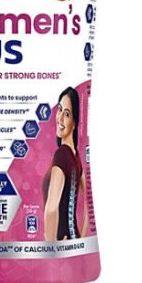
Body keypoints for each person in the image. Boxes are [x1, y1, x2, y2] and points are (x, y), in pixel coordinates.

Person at [42, 87, 88, 241]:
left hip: (60, 243)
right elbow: (88, 202)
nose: (60, 118)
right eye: (60, 109)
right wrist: (80, 240)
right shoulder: (76, 156)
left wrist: (50, 246)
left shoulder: (62, 155)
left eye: (67, 114)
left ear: (74, 123)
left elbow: (51, 209)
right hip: (72, 239)